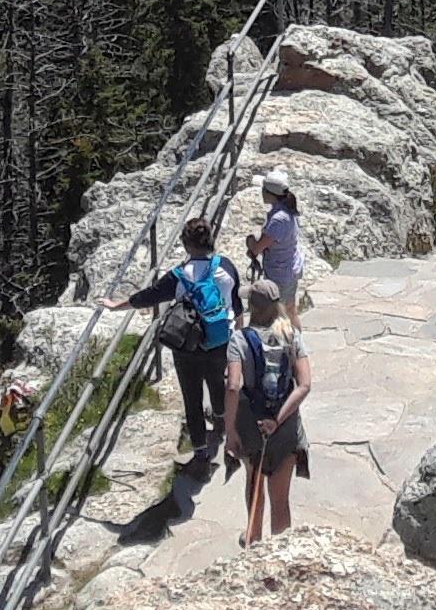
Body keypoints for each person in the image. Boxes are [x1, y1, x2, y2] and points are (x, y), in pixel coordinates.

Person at [97, 216, 240, 467]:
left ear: (186, 245)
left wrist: (115, 306)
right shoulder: (226, 267)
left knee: (191, 397)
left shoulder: (178, 276)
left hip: (189, 346)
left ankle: (200, 453)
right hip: (220, 339)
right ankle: (222, 424)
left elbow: (147, 297)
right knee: (218, 383)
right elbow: (236, 306)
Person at [222, 278, 311, 546]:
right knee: (280, 498)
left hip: (252, 424)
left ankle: (254, 538)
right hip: (284, 426)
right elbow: (304, 385)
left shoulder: (239, 340)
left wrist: (230, 432)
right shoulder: (292, 335)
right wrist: (279, 419)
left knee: (255, 484)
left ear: (251, 305)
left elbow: (234, 386)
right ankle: (280, 549)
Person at [245, 168, 304, 324]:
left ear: (269, 193)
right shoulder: (287, 212)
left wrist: (250, 241)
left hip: (279, 274)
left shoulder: (278, 219)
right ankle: (297, 344)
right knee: (290, 311)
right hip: (289, 268)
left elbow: (257, 248)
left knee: (279, 317)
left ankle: (286, 346)